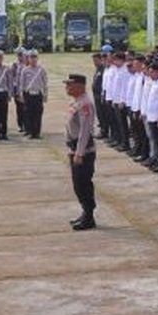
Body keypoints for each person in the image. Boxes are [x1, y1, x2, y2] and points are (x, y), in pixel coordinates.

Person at [64, 74, 97, 230]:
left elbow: (85, 130)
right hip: (74, 148)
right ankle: (85, 213)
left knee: (83, 184)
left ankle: (89, 216)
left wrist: (79, 153)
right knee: (77, 184)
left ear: (80, 86)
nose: (67, 88)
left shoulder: (85, 104)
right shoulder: (76, 102)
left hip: (83, 152)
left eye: (70, 85)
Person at [18, 50, 48, 139]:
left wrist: (45, 95)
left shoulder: (41, 70)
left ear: (37, 58)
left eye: (35, 57)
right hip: (28, 94)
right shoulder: (25, 70)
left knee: (38, 114)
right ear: (28, 59)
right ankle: (30, 132)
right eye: (31, 57)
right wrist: (21, 95)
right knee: (29, 114)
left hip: (38, 94)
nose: (33, 59)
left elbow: (45, 83)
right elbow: (21, 83)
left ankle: (37, 132)